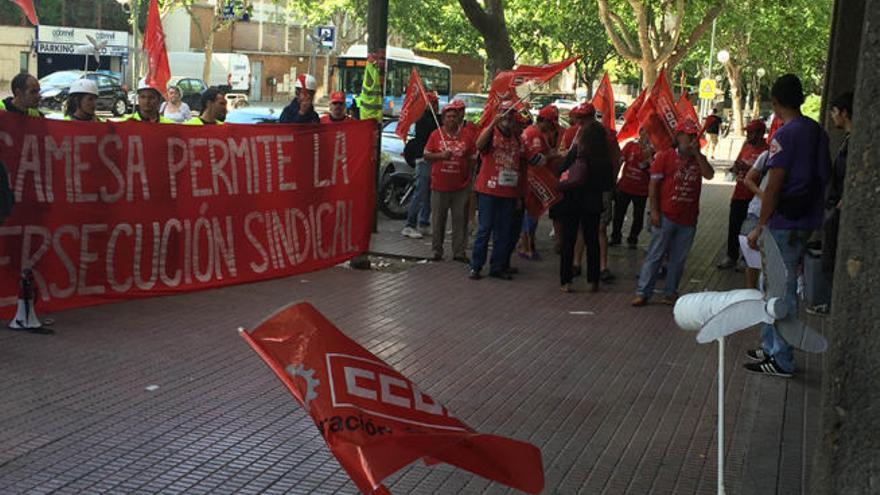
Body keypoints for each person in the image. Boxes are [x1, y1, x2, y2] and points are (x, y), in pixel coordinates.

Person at [744, 74, 830, 377]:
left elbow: (774, 187)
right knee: (775, 287)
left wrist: (759, 226)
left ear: (776, 102)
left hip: (783, 222)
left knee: (779, 292)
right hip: (806, 219)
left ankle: (781, 357)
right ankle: (770, 346)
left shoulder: (785, 136)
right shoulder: (817, 132)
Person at [632, 120, 715, 307]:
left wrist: (697, 153)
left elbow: (709, 174)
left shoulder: (697, 159)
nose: (692, 139)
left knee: (678, 259)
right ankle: (643, 292)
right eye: (688, 135)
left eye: (695, 136)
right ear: (678, 137)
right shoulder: (664, 157)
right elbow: (653, 186)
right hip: (665, 215)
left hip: (688, 219)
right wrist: (654, 211)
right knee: (655, 255)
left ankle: (671, 292)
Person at [469, 100, 526, 280]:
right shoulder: (491, 132)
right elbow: (479, 145)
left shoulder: (517, 137)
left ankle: (498, 266)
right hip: (489, 190)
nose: (507, 117)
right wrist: (493, 122)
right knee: (485, 229)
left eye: (510, 114)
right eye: (504, 112)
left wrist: (518, 195)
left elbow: (520, 163)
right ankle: (476, 266)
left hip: (509, 192)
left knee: (504, 231)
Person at [557, 120, 614, 293]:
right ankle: (593, 280)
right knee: (592, 241)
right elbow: (608, 183)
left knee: (569, 241)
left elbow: (563, 172)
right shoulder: (604, 157)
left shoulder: (577, 152)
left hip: (572, 201)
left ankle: (566, 281)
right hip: (593, 204)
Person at [810, 92, 853, 315]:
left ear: (844, 113)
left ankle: (835, 305)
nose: (833, 117)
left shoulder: (854, 142)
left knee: (831, 259)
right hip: (835, 206)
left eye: (835, 112)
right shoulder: (847, 140)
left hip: (839, 209)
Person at [423, 100, 475, 262]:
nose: (451, 119)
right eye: (448, 116)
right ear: (443, 119)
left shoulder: (467, 135)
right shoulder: (435, 134)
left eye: (454, 116)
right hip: (439, 185)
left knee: (460, 220)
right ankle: (436, 250)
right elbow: (426, 155)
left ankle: (459, 252)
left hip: (461, 186)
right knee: (438, 220)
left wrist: (470, 179)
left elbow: (473, 158)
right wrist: (440, 156)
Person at [717, 119, 769, 269]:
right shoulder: (746, 146)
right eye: (747, 132)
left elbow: (765, 176)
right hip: (739, 194)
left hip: (754, 197)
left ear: (760, 134)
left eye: (751, 133)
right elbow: (737, 164)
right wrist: (736, 168)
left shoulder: (766, 151)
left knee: (749, 229)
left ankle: (746, 260)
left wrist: (749, 169)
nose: (748, 135)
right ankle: (731, 256)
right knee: (734, 226)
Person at [517, 104, 562, 260]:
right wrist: (556, 155)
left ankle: (528, 245)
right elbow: (536, 159)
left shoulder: (535, 132)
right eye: (551, 123)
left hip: (532, 179)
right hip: (532, 179)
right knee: (531, 215)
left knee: (532, 215)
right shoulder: (534, 134)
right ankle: (526, 247)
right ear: (546, 121)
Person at [401, 92, 440, 239]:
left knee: (428, 193)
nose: (436, 106)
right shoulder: (424, 120)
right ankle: (410, 225)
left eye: (437, 103)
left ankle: (424, 223)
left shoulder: (432, 118)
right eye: (434, 103)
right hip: (423, 160)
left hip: (429, 160)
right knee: (421, 192)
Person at [611, 127, 654, 248]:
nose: (647, 136)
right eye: (645, 133)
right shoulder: (631, 145)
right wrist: (615, 178)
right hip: (625, 186)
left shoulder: (653, 150)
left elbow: (654, 170)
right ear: (640, 133)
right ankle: (615, 237)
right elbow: (621, 160)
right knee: (618, 213)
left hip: (641, 190)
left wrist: (649, 159)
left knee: (638, 216)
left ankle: (633, 238)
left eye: (649, 134)